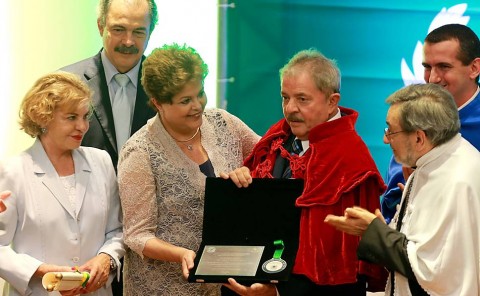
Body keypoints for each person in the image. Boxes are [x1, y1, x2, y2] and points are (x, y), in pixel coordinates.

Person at [221, 49, 387, 296]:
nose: (290, 109)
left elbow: (341, 268)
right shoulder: (277, 136)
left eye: (302, 99)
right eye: (285, 97)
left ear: (332, 102)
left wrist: (276, 294)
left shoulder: (352, 162)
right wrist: (240, 184)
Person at [117, 43, 260, 296]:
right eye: (185, 100)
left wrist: (250, 173)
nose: (198, 106)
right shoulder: (139, 152)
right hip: (164, 287)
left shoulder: (223, 122)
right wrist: (181, 254)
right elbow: (137, 235)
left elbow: (269, 158)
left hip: (227, 282)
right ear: (158, 103)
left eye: (200, 94)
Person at [326, 83, 480, 295]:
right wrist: (383, 232)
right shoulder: (433, 161)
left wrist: (377, 234)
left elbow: (435, 273)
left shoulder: (456, 182)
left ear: (419, 138)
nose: (385, 138)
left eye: (391, 130)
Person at [0, 72, 125, 295]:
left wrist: (106, 259)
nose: (83, 126)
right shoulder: (14, 170)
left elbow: (117, 230)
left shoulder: (101, 162)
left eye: (86, 116)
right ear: (42, 117)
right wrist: (39, 270)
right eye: (71, 117)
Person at [382, 23, 480, 222]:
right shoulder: (412, 117)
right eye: (427, 67)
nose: (433, 78)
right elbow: (393, 194)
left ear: (474, 68)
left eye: (444, 67)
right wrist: (410, 189)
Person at [61, 0, 158, 168]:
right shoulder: (66, 84)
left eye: (138, 32)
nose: (128, 41)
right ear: (101, 26)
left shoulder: (168, 87)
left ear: (150, 32)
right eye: (119, 30)